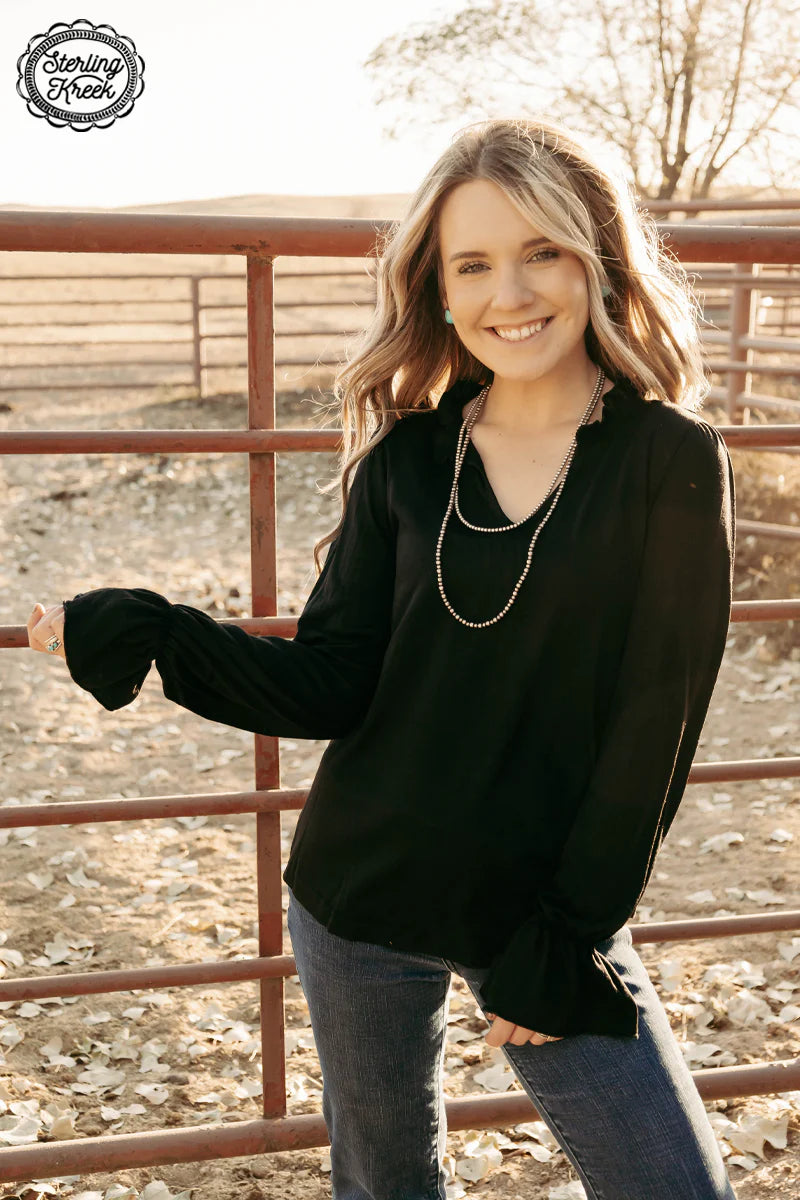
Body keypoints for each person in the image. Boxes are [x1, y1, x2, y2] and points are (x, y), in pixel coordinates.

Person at [27, 117, 737, 1199]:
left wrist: (568, 936)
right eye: (474, 263)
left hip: (536, 910)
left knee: (671, 1188)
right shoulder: (408, 462)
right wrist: (154, 631)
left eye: (541, 250)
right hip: (356, 893)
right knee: (386, 1188)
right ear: (438, 291)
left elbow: (655, 728)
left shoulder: (665, 462)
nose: (512, 291)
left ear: (595, 259)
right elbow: (329, 682)